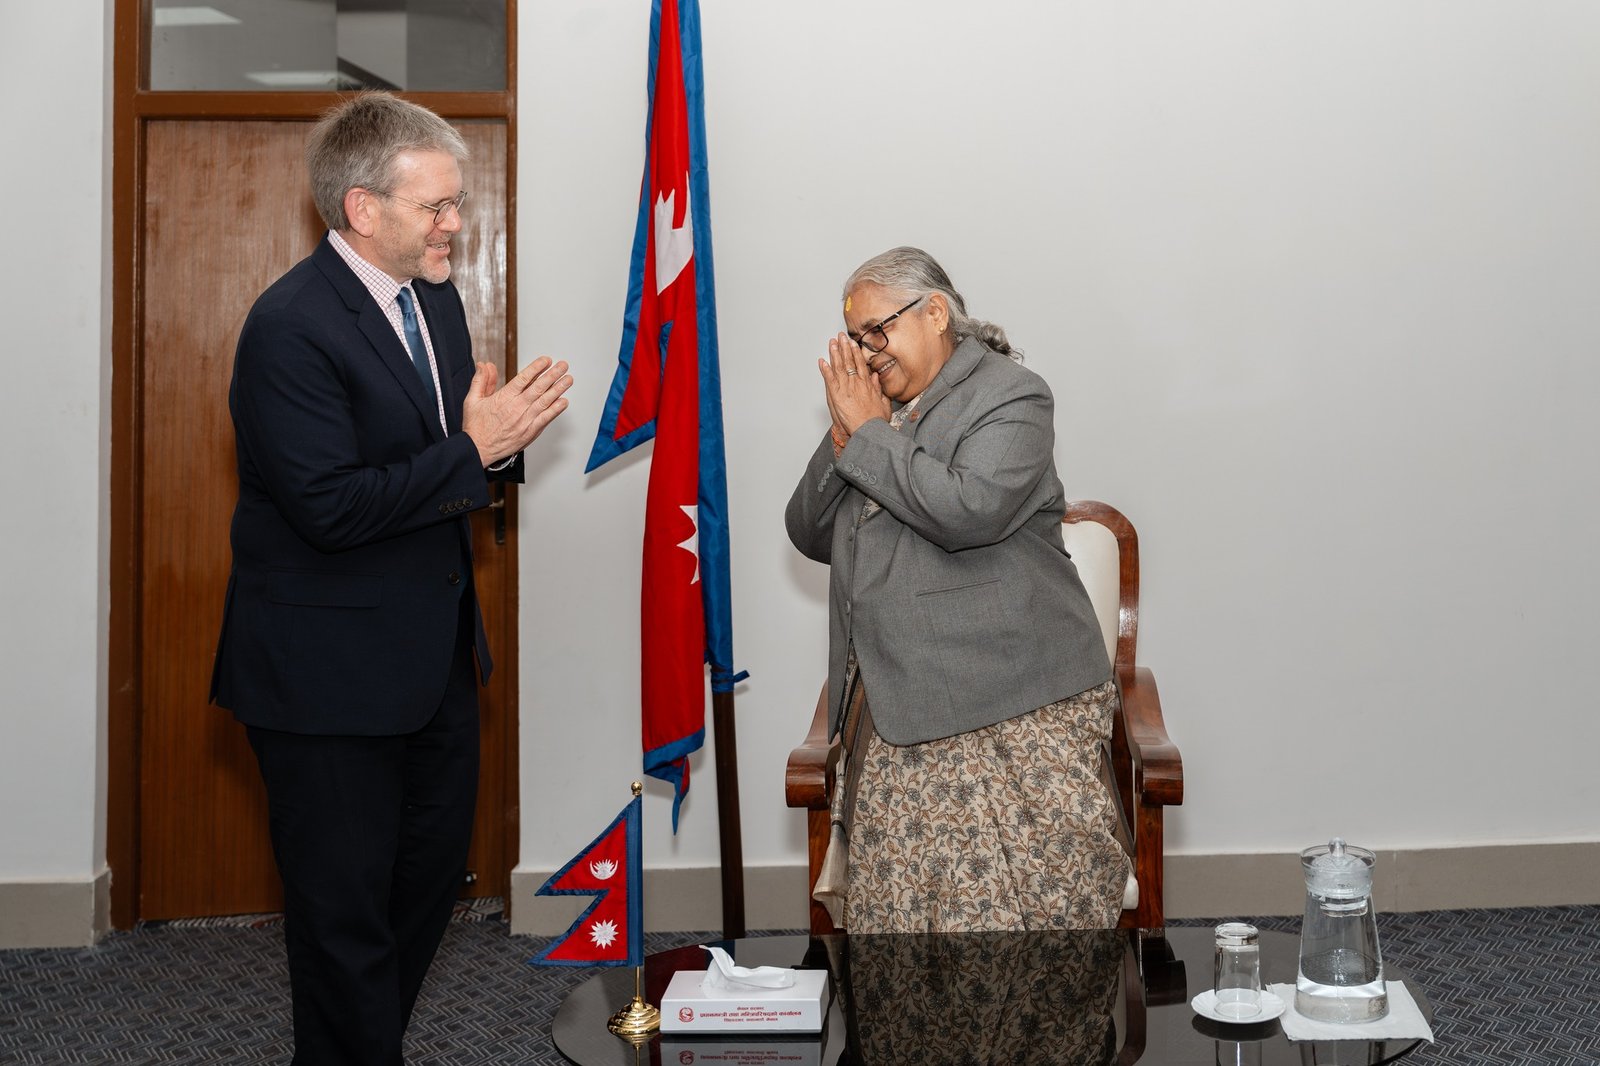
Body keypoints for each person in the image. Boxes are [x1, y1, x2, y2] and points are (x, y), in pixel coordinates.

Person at [209, 92, 571, 1064]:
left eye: (458, 204)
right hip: (324, 678)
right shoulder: (288, 326)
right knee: (341, 919)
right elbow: (330, 507)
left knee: (419, 895)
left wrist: (495, 450)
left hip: (434, 663)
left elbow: (446, 464)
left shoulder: (436, 302)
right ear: (363, 210)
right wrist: (471, 450)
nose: (456, 223)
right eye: (438, 207)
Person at [785, 246, 1130, 932]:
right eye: (856, 339)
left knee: (1027, 936)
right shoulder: (877, 416)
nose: (868, 351)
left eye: (877, 330)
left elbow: (968, 511)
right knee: (906, 944)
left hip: (1012, 704)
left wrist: (872, 434)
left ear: (934, 311)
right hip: (897, 711)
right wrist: (844, 434)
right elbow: (809, 531)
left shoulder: (1011, 395)